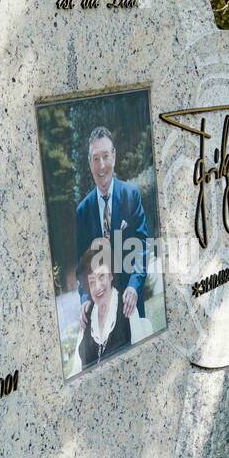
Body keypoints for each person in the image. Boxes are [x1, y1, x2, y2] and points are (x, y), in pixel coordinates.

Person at [74, 126, 150, 330]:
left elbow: (142, 247)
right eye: (96, 159)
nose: (102, 166)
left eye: (106, 156)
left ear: (114, 157)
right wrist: (84, 299)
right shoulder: (83, 210)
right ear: (90, 164)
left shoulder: (131, 196)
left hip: (130, 304)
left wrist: (134, 286)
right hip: (101, 310)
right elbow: (82, 266)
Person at [77, 239, 132, 369]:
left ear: (111, 275)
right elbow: (78, 369)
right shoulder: (86, 317)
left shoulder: (126, 306)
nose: (97, 287)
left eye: (101, 276)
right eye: (91, 281)